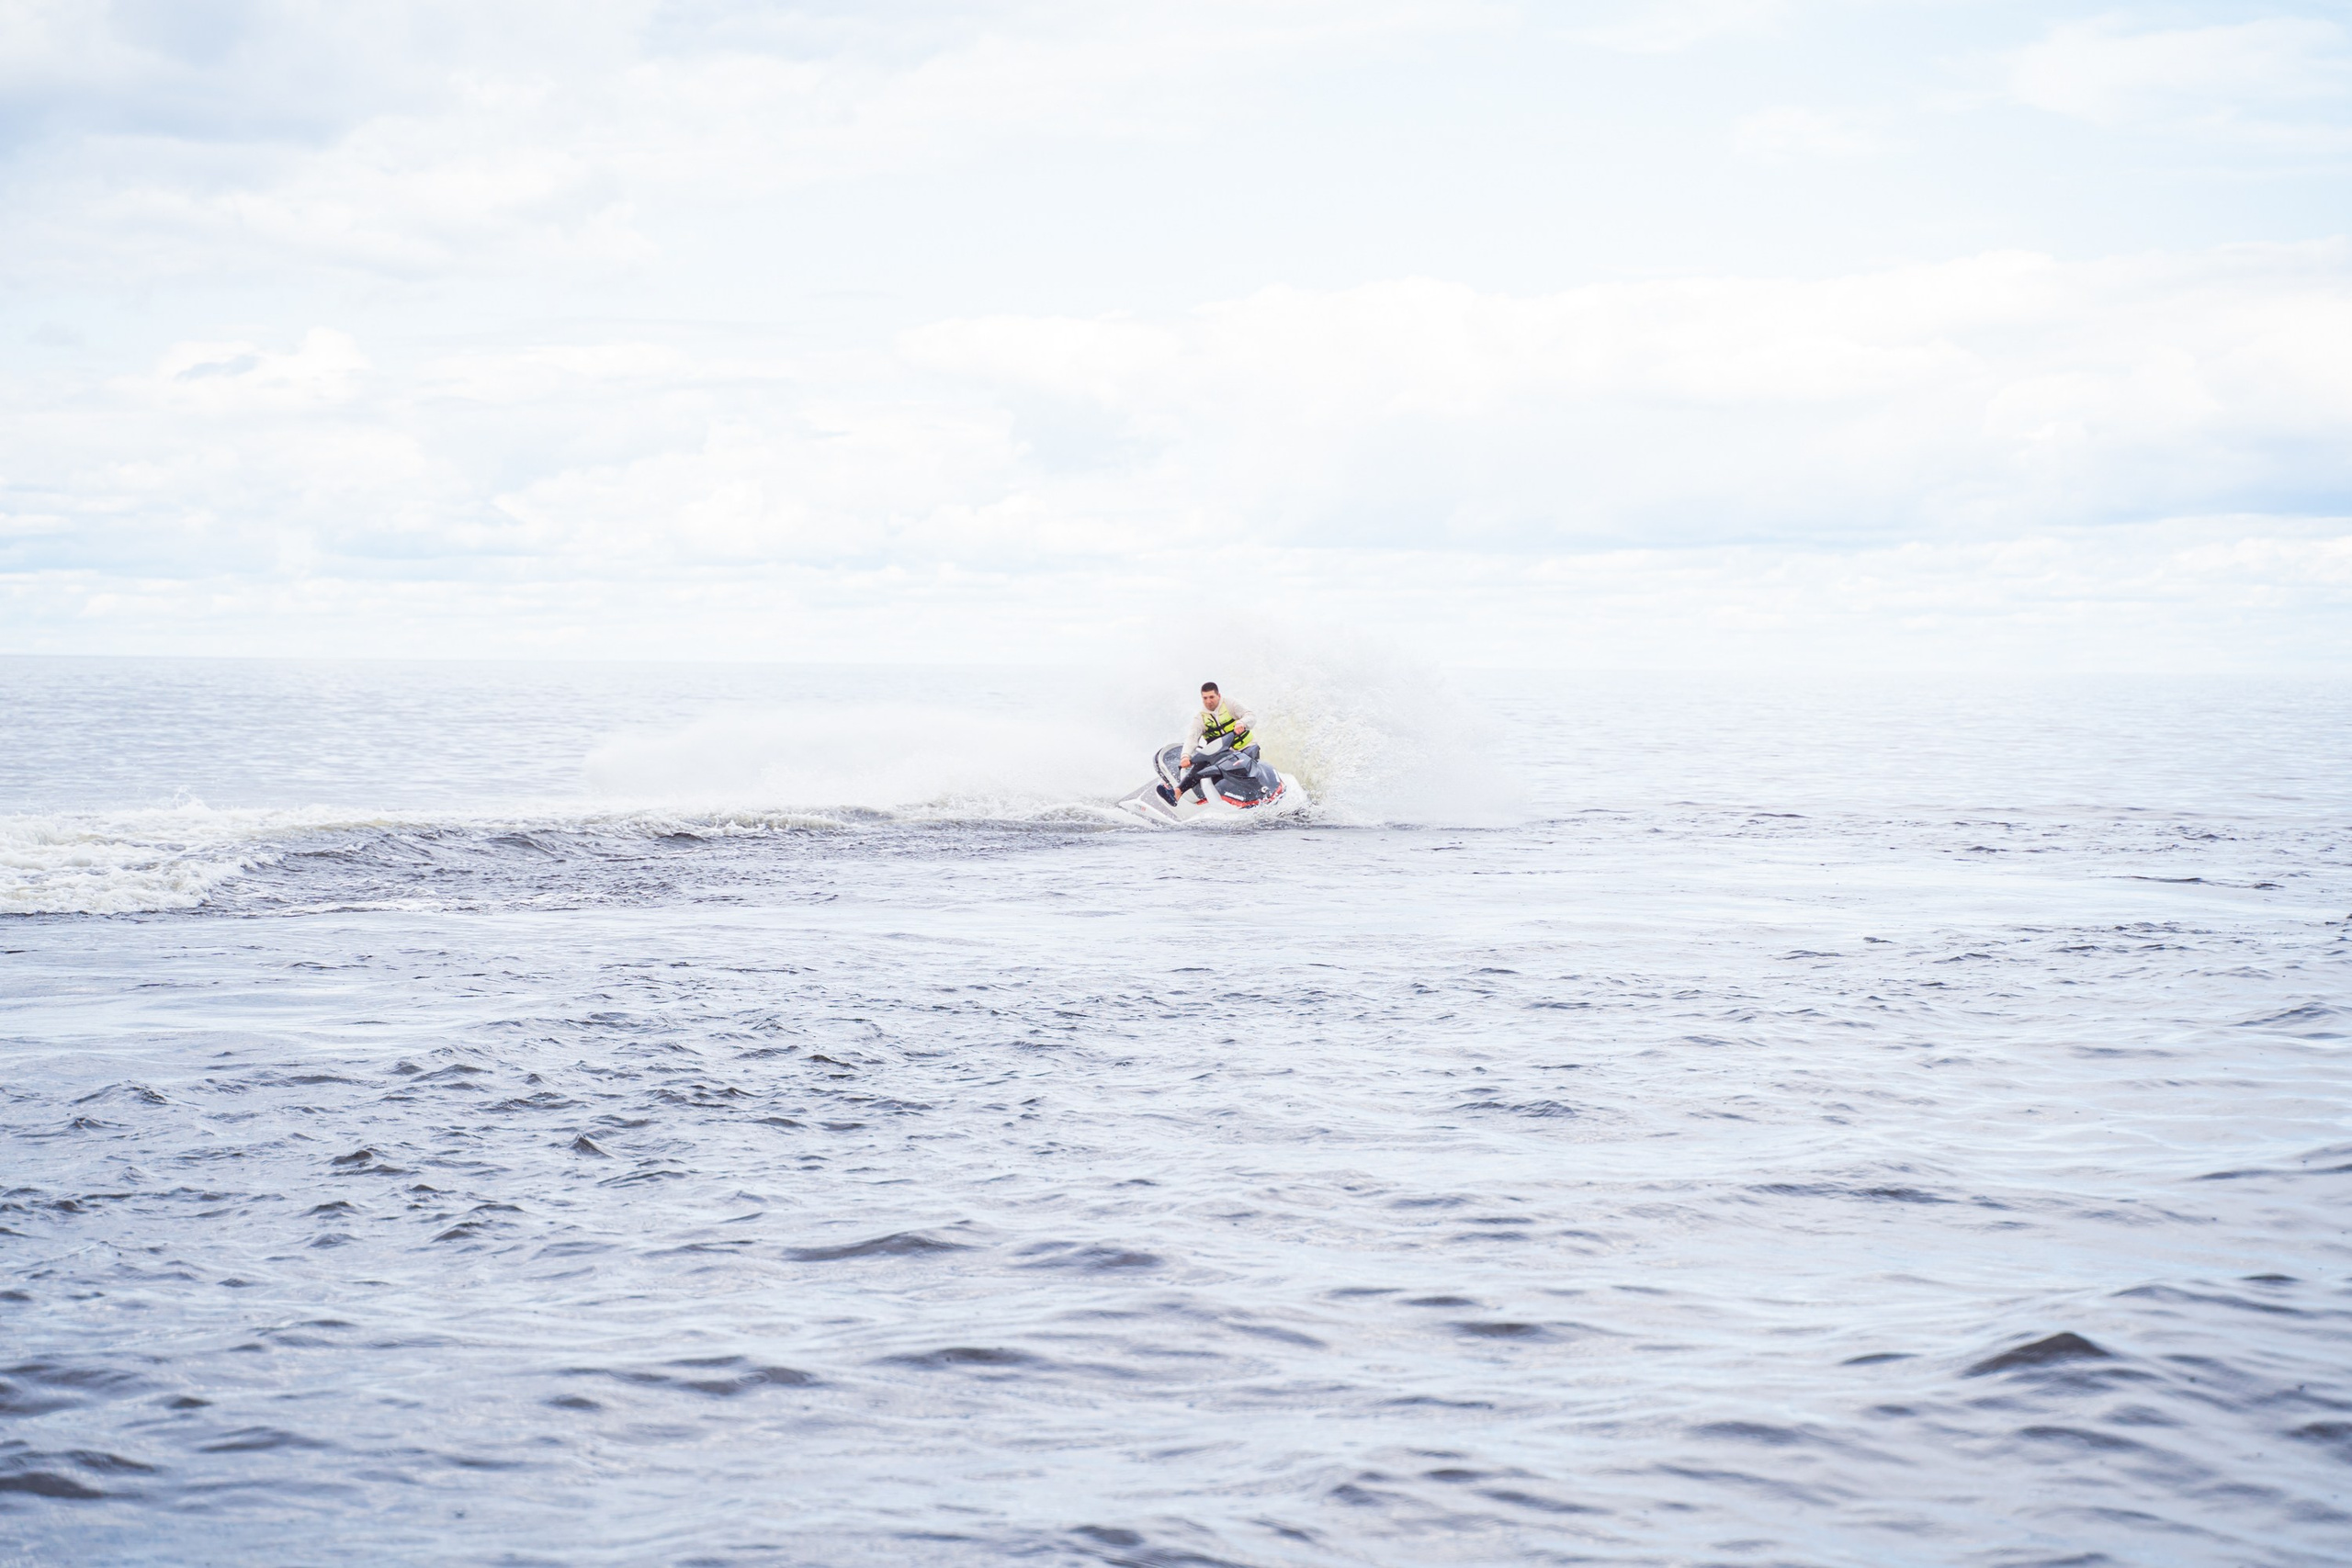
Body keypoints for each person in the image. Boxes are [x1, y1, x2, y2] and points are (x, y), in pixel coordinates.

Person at [1159, 682, 1262, 806]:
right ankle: (1177, 792)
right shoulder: (1200, 718)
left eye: (1211, 697)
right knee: (1200, 766)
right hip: (1222, 754)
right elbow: (1192, 738)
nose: (1208, 701)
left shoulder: (1231, 704)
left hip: (1245, 748)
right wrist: (1185, 756)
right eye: (1205, 698)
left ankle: (1260, 793)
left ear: (1218, 695)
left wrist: (1243, 723)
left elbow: (1251, 716)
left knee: (1241, 767)